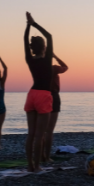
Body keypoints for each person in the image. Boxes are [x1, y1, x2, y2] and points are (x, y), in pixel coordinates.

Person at [23, 12, 53, 172]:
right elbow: (49, 35)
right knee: (40, 135)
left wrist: (27, 25)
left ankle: (30, 166)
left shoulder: (29, 59)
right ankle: (37, 167)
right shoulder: (47, 59)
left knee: (31, 134)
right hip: (43, 95)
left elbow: (24, 41)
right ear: (44, 47)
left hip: (32, 94)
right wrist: (34, 23)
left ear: (32, 48)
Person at [42, 54, 68, 162]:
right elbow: (65, 67)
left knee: (42, 129)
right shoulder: (54, 68)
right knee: (49, 130)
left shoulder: (40, 69)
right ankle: (47, 157)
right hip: (53, 95)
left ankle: (41, 154)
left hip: (42, 95)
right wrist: (56, 57)